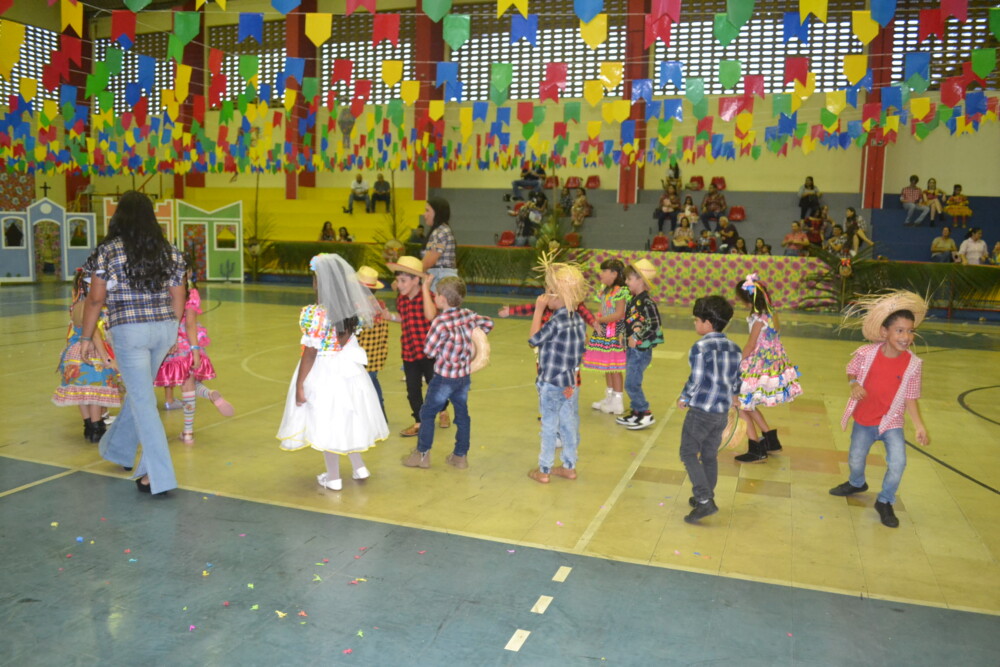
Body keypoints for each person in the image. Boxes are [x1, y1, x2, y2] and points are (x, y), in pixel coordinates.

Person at [79, 190, 186, 495]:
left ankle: (158, 476)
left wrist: (86, 337)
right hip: (163, 329)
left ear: (119, 216)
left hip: (130, 332)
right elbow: (178, 295)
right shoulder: (170, 251)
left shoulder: (108, 251)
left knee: (143, 401)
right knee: (140, 395)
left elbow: (95, 299)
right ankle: (118, 449)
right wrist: (172, 331)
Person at [276, 254, 387, 491]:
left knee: (328, 423)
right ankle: (359, 467)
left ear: (319, 282)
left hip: (324, 372)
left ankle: (333, 477)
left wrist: (300, 385)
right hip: (350, 372)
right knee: (347, 417)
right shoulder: (350, 311)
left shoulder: (315, 314)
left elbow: (310, 353)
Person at [829, 290, 930, 529]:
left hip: (891, 422)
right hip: (864, 420)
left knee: (898, 463)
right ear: (885, 332)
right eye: (900, 330)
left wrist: (919, 426)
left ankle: (885, 501)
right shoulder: (866, 354)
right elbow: (851, 370)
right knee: (855, 458)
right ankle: (857, 483)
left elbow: (911, 397)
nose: (906, 337)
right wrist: (854, 384)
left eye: (910, 331)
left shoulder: (913, 364)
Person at [402, 277, 493, 469]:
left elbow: (429, 351)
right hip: (463, 377)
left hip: (443, 378)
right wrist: (471, 341)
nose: (434, 297)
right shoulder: (468, 315)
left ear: (442, 299)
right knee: (462, 415)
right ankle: (460, 456)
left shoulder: (440, 322)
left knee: (427, 413)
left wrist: (446, 346)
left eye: (436, 294)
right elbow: (488, 324)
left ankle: (422, 454)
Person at [153, 255, 234, 445]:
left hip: (168, 344)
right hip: (187, 345)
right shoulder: (191, 293)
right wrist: (195, 351)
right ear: (188, 272)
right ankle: (189, 431)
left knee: (169, 382)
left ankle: (150, 428)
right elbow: (190, 325)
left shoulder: (162, 290)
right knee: (189, 384)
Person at [676, 295, 742, 524]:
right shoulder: (735, 348)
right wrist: (734, 398)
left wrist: (684, 397)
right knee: (709, 455)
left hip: (700, 411)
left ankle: (704, 500)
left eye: (696, 319)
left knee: (688, 453)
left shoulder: (700, 347)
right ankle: (705, 496)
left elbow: (696, 379)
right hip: (720, 413)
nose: (695, 323)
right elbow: (737, 379)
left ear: (707, 322)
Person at [526, 260, 588, 484]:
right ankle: (569, 466)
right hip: (570, 382)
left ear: (557, 295)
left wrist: (538, 310)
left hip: (551, 383)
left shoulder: (556, 321)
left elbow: (533, 340)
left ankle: (544, 469)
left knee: (549, 426)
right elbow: (582, 349)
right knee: (568, 424)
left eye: (548, 293)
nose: (545, 297)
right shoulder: (578, 320)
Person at [731, 275, 802, 463]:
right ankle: (771, 441)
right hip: (771, 365)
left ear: (747, 300)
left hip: (757, 366)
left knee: (739, 404)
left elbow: (750, 345)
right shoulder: (771, 314)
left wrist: (736, 364)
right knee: (749, 403)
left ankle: (756, 448)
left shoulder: (758, 319)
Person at [52, 269, 122, 443]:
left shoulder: (76, 306)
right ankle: (97, 426)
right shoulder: (91, 307)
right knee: (95, 391)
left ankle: (88, 426)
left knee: (82, 393)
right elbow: (95, 334)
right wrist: (106, 358)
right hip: (90, 354)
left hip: (73, 353)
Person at [384, 256, 448, 436]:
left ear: (415, 280)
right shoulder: (402, 299)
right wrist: (391, 317)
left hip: (430, 352)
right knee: (412, 389)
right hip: (409, 350)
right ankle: (419, 422)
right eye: (398, 280)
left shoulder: (429, 297)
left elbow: (430, 315)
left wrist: (426, 288)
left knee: (435, 386)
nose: (399, 285)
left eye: (403, 281)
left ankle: (443, 410)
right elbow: (404, 318)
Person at [614, 259, 663, 431]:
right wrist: (623, 333)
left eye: (629, 279)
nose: (626, 283)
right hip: (632, 350)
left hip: (641, 351)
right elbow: (629, 321)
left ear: (640, 280)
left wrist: (637, 337)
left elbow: (654, 325)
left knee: (631, 383)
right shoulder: (634, 300)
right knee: (631, 381)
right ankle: (636, 413)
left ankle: (645, 412)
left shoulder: (647, 302)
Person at [582, 259, 628, 416]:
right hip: (604, 330)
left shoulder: (620, 291)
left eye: (604, 271)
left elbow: (619, 314)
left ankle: (618, 401)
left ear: (614, 274)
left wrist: (600, 320)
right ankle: (609, 397)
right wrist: (597, 317)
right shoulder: (604, 290)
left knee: (614, 367)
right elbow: (602, 309)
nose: (600, 274)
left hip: (614, 332)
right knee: (607, 366)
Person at [355, 266, 390, 419]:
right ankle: (380, 413)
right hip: (375, 355)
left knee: (361, 385)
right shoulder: (380, 305)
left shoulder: (356, 307)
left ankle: (370, 416)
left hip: (360, 356)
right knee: (373, 381)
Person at [421, 197, 458, 292]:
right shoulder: (442, 230)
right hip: (442, 279)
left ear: (437, 212)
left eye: (427, 211)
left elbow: (428, 262)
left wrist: (409, 275)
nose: (424, 214)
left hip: (440, 279)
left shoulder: (440, 232)